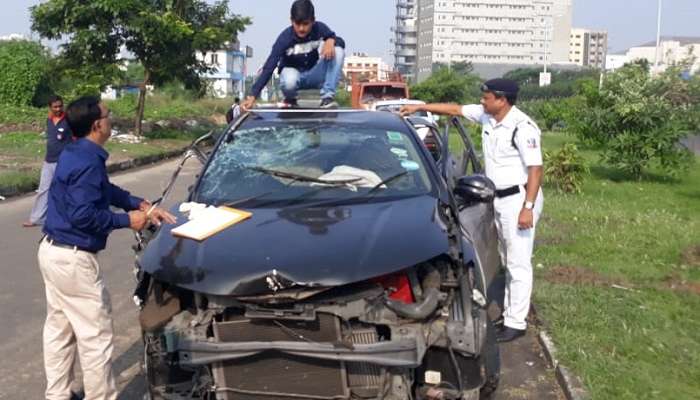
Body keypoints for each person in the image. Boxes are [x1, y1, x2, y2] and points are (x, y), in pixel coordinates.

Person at [38, 96, 176, 399]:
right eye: (108, 115)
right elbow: (83, 216)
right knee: (95, 337)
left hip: (53, 252)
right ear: (97, 125)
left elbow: (104, 190)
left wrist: (140, 204)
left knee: (60, 330)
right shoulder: (87, 161)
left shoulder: (77, 151)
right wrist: (128, 220)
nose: (111, 119)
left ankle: (58, 395)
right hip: (74, 260)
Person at [401, 79, 544, 343]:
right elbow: (454, 109)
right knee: (505, 256)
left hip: (518, 199)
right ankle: (510, 312)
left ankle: (516, 322)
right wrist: (416, 107)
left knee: (518, 261)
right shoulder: (488, 116)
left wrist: (528, 208)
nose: (482, 101)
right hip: (495, 198)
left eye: (487, 97)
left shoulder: (522, 128)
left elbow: (536, 169)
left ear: (502, 100)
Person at [242, 0, 345, 110]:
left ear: (313, 21)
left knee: (338, 51)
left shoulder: (319, 29)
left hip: (313, 75)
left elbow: (340, 42)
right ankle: (290, 99)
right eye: (298, 24)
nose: (301, 28)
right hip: (292, 79)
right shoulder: (285, 39)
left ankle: (327, 98)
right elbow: (269, 66)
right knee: (290, 78)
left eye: (305, 24)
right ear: (291, 21)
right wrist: (253, 95)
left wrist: (330, 40)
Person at [23, 95, 72, 227]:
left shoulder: (68, 120)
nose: (58, 109)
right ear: (50, 107)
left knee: (65, 189)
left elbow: (76, 138)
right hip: (49, 160)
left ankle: (69, 217)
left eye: (60, 106)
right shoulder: (49, 120)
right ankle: (36, 218)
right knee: (44, 189)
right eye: (55, 107)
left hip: (64, 161)